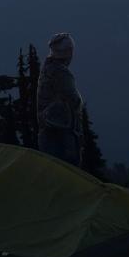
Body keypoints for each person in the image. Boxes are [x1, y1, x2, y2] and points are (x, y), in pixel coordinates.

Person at [37, 33, 83, 166]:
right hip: (62, 133)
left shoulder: (47, 69)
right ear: (68, 52)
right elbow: (75, 100)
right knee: (68, 170)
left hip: (47, 131)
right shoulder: (61, 73)